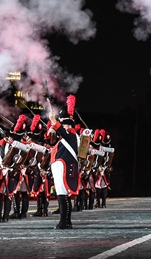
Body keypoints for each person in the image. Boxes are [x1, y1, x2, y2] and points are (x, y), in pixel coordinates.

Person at [49, 98, 82, 230]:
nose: (62, 127)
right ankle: (65, 221)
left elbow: (61, 131)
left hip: (65, 169)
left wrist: (53, 120)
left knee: (63, 196)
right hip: (61, 169)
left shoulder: (71, 135)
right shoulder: (66, 138)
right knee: (62, 196)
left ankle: (65, 221)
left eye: (64, 125)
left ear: (68, 126)